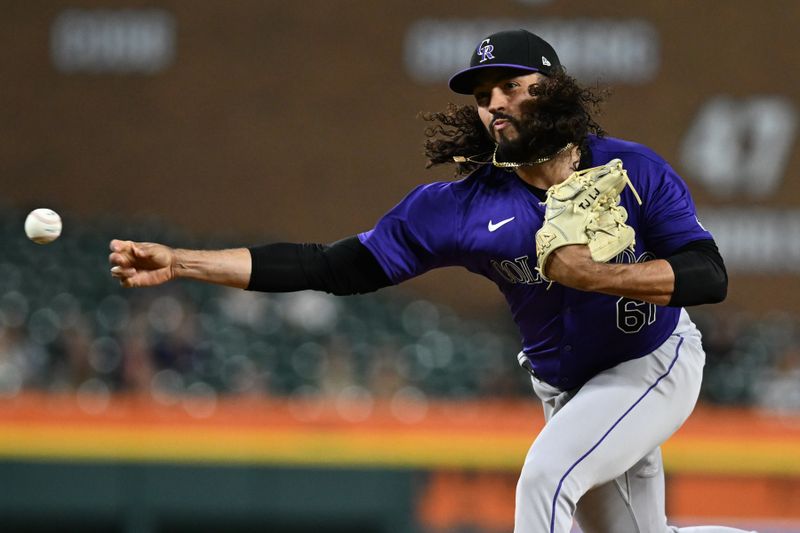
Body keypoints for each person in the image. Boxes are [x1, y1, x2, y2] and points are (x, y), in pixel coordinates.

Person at [109, 29, 753, 533]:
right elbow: (331, 266)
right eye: (482, 95)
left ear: (554, 89)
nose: (495, 102)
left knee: (544, 479)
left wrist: (599, 275)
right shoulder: (461, 208)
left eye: (511, 85)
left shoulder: (631, 168)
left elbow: (709, 274)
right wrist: (185, 262)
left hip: (653, 361)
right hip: (567, 389)